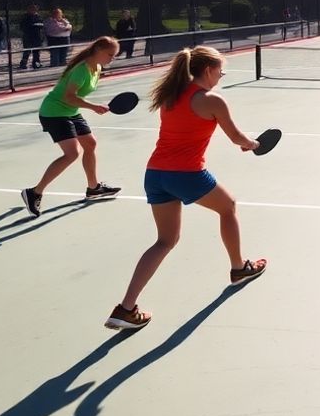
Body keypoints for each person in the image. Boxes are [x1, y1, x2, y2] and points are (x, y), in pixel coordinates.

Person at [104, 46, 267, 331]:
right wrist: (252, 143)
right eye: (220, 70)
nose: (221, 75)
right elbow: (236, 137)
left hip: (155, 174)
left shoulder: (171, 95)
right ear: (208, 70)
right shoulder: (212, 100)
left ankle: (125, 308)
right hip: (186, 174)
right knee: (228, 208)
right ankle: (239, 267)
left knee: (164, 241)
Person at [19, 36, 122, 218]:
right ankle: (34, 192)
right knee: (72, 153)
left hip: (70, 111)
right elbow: (68, 97)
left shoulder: (96, 67)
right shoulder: (81, 70)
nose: (112, 59)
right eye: (110, 55)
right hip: (54, 112)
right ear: (98, 50)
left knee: (90, 144)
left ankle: (93, 188)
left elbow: (75, 98)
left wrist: (96, 105)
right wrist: (93, 107)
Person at [18, 4, 46, 69]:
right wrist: (32, 26)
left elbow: (42, 25)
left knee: (36, 52)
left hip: (37, 36)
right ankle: (23, 64)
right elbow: (22, 26)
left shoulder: (38, 16)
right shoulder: (25, 17)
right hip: (28, 36)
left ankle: (36, 64)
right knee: (27, 51)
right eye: (31, 9)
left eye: (35, 9)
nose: (33, 11)